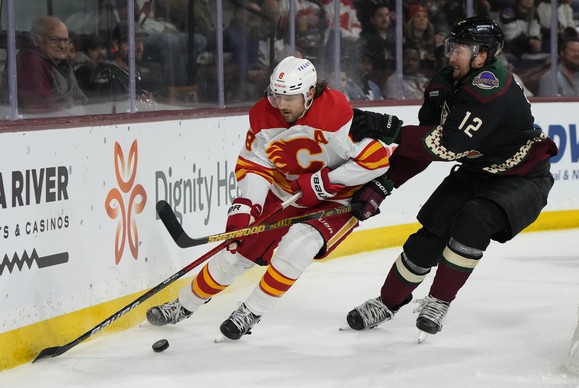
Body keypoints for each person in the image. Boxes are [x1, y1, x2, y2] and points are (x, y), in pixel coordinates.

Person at [145, 56, 401, 340]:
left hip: (337, 197)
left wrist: (324, 182)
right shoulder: (264, 116)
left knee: (299, 245)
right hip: (287, 190)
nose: (280, 104)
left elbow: (377, 161)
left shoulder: (336, 115)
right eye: (276, 95)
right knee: (237, 250)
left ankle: (250, 311)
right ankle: (183, 305)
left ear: (309, 94)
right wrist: (246, 207)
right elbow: (256, 164)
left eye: (288, 97)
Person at [344, 16, 557, 339]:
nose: (450, 55)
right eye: (451, 47)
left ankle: (439, 301)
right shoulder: (444, 83)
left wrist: (389, 128)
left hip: (523, 179)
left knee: (474, 217)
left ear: (482, 56)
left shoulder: (491, 86)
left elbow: (448, 145)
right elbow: (424, 145)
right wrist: (383, 185)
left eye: (459, 50)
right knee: (427, 239)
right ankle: (387, 303)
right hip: (476, 172)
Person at [15, 16, 88, 115]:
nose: (62, 46)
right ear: (36, 40)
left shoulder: (62, 63)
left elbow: (81, 99)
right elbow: (40, 108)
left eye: (65, 40)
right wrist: (72, 116)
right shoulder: (31, 61)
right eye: (55, 40)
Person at [92, 22, 157, 111]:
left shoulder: (142, 73)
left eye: (140, 41)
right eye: (132, 40)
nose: (138, 46)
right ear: (116, 45)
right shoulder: (108, 75)